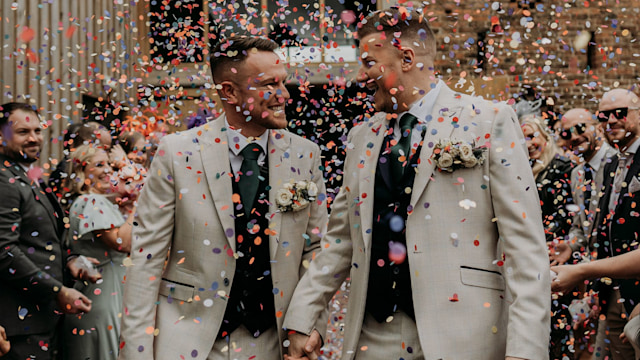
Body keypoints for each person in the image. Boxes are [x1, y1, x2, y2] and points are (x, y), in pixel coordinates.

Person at [283, 7, 550, 360]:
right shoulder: (362, 137)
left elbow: (525, 249)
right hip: (372, 335)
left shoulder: (489, 121)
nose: (360, 76)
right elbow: (340, 240)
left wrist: (526, 350)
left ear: (406, 58)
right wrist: (303, 317)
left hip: (466, 336)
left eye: (368, 62)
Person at [118, 36, 329, 360]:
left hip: (277, 344)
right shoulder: (178, 154)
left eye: (283, 82)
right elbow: (146, 262)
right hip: (190, 344)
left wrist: (311, 325)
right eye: (269, 84)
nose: (284, 95)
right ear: (229, 92)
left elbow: (315, 250)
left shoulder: (305, 156)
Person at [0, 102, 92, 360]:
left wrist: (70, 260)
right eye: (22, 132)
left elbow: (43, 237)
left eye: (38, 131)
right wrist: (57, 290)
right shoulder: (3, 181)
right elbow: (4, 251)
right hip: (19, 324)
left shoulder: (29, 174)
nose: (34, 138)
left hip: (45, 319)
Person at [62, 144, 137, 360]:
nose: (107, 170)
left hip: (106, 293)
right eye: (98, 165)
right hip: (103, 297)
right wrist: (139, 203)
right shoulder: (92, 201)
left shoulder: (99, 202)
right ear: (82, 173)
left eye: (109, 165)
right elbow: (123, 242)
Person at [581, 88, 640, 360]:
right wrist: (597, 287)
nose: (611, 121)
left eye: (619, 114)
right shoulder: (612, 164)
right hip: (613, 290)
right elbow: (605, 227)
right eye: (603, 116)